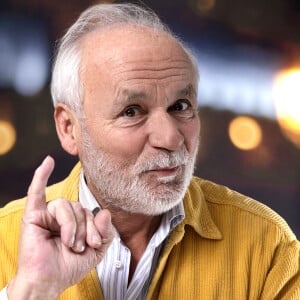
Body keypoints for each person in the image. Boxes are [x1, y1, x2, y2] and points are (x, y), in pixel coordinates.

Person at [0, 3, 299, 299]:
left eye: (180, 107)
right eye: (132, 111)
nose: (170, 137)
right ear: (69, 128)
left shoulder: (267, 245)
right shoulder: (6, 241)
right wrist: (31, 291)